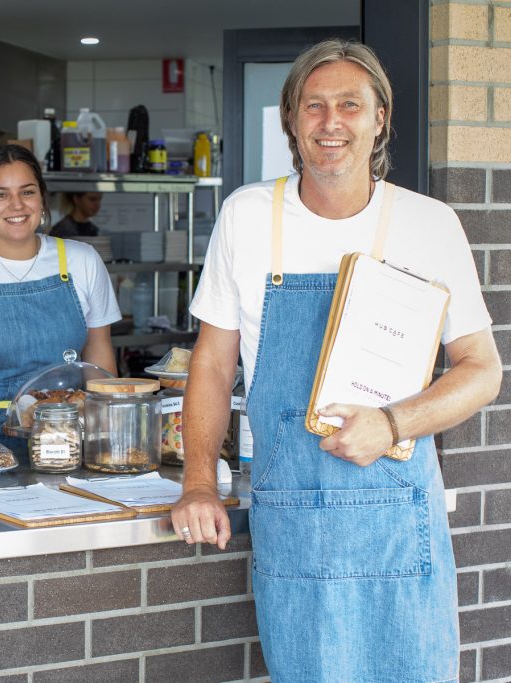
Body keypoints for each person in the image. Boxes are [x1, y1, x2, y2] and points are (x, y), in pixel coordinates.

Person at [170, 39, 501, 682]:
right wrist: (199, 482)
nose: (331, 122)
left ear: (380, 118)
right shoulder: (246, 216)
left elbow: (482, 369)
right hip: (292, 515)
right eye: (314, 105)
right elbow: (211, 365)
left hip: (398, 519)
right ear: (291, 119)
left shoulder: (428, 224)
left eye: (351, 104)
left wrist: (394, 423)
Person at [0, 145, 120, 450]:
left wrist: (108, 429)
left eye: (27, 192)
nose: (16, 205)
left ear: (42, 198)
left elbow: (99, 350)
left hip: (70, 434)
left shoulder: (82, 260)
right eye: (0, 195)